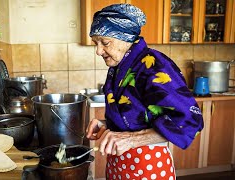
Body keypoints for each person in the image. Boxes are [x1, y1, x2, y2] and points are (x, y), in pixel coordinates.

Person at [86, 4, 204, 180]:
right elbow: (139, 117)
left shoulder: (154, 66)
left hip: (149, 167)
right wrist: (106, 124)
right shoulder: (119, 66)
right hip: (119, 165)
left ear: (125, 38)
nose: (98, 51)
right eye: (96, 43)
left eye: (105, 42)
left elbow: (190, 121)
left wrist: (132, 140)